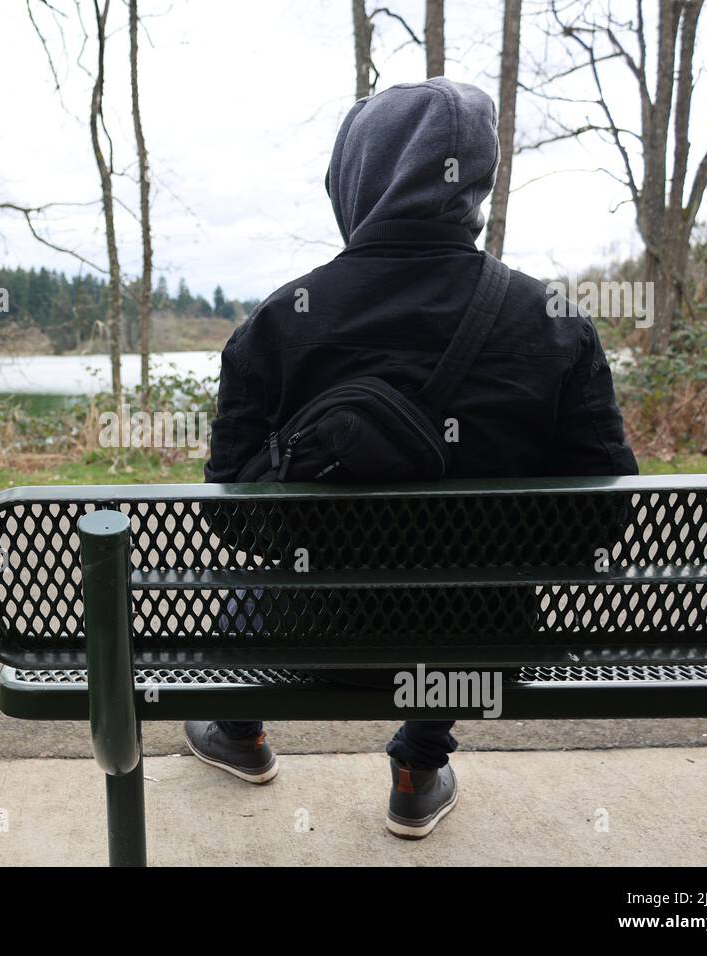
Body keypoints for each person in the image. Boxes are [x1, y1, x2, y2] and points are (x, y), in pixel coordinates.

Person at [184, 77, 638, 839]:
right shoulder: (553, 323)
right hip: (481, 642)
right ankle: (418, 765)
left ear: (356, 176)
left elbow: (236, 515)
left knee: (262, 590)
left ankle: (238, 730)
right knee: (462, 596)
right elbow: (603, 512)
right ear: (478, 185)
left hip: (312, 635)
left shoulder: (278, 322)